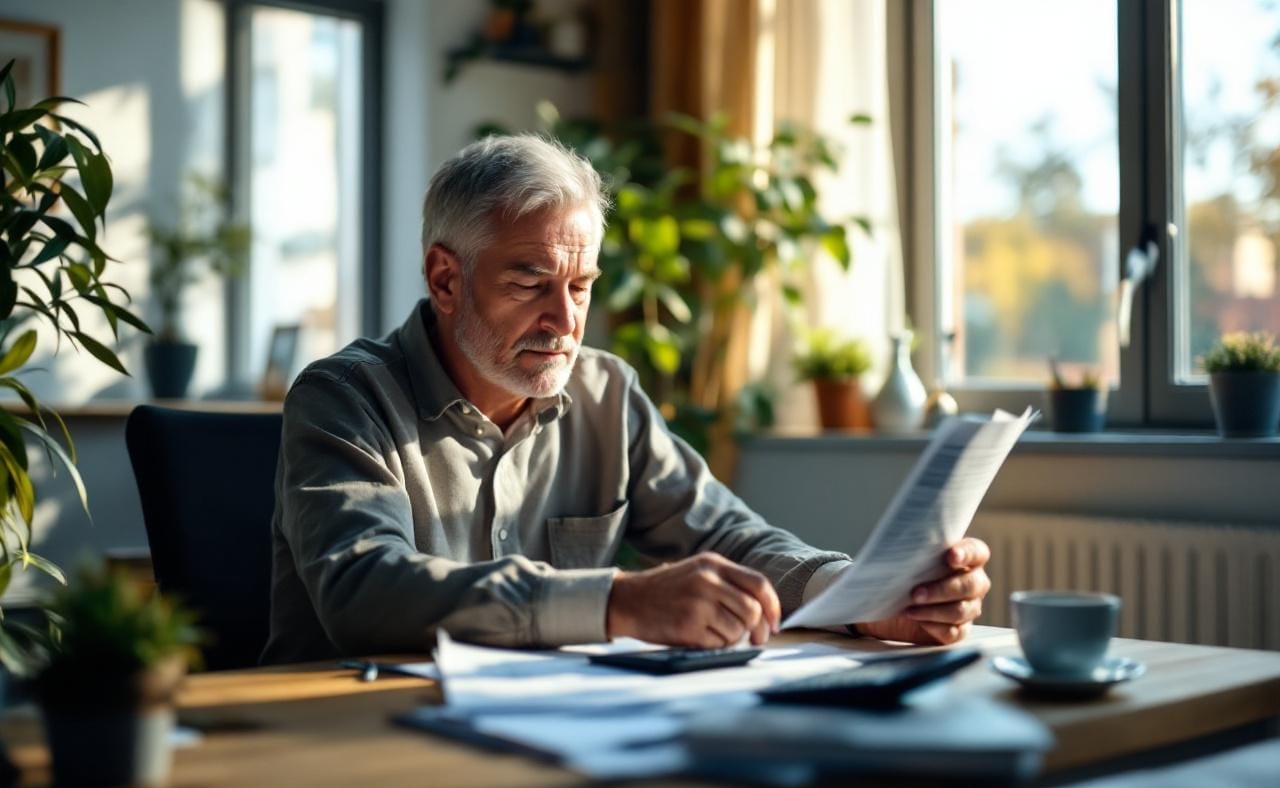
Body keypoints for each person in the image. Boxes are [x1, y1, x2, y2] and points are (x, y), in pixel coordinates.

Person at [261, 135, 991, 664]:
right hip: (349, 735)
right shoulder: (344, 398)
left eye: (580, 287)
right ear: (446, 280)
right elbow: (363, 589)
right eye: (529, 283)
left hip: (545, 731)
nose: (565, 320)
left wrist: (862, 597)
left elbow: (730, 539)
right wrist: (616, 602)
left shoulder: (606, 392)